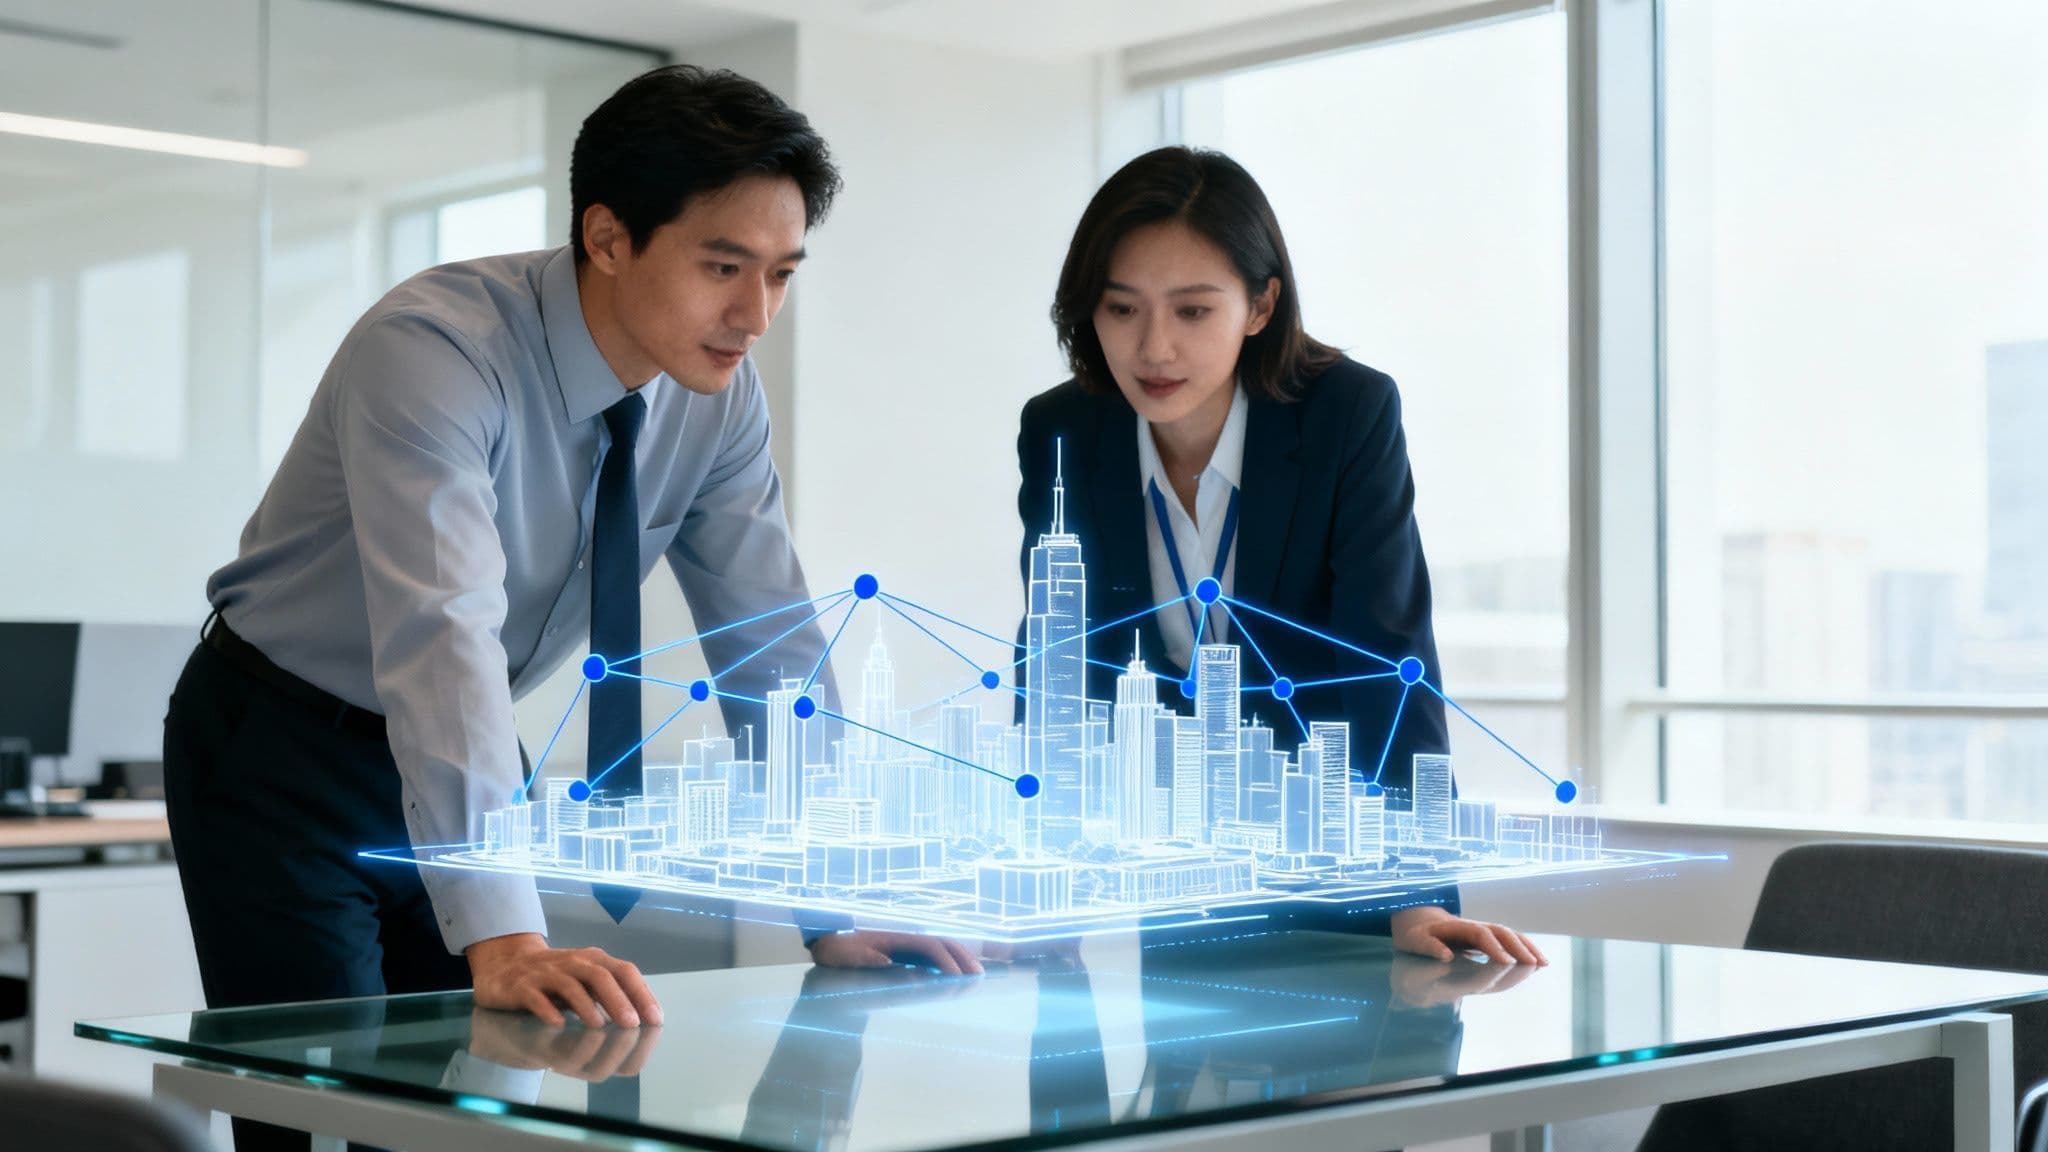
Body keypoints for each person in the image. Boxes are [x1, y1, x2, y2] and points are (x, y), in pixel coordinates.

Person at [161, 65, 944, 1149]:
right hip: (284, 746)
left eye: (780, 274)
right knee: (314, 1107)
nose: (755, 315)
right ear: (609, 236)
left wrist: (834, 900)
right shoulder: (433, 352)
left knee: (473, 1115)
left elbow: (767, 642)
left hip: (459, 755)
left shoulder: (715, 402)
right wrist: (506, 937)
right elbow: (444, 637)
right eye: (724, 267)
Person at [1016, 145, 1545, 967]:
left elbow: (1388, 659)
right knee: (1188, 1088)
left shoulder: (1346, 414)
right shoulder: (1067, 430)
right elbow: (1058, 664)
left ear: (1260, 306)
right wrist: (1043, 889)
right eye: (1122, 310)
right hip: (1178, 869)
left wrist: (1417, 896)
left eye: (1192, 312)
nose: (1153, 349)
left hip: (1338, 859)